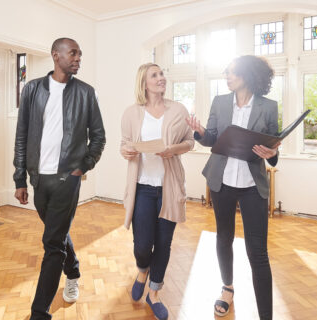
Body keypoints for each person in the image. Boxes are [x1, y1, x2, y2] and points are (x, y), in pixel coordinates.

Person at [13, 38, 106, 320]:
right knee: (58, 232)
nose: (78, 58)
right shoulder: (32, 90)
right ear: (56, 55)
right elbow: (22, 136)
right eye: (73, 53)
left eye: (80, 53)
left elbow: (98, 136)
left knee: (52, 243)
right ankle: (74, 269)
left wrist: (84, 165)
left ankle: (39, 312)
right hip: (39, 179)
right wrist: (20, 178)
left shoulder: (86, 93)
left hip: (68, 179)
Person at [185, 55, 280, 319]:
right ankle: (227, 289)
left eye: (232, 73)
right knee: (223, 238)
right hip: (221, 182)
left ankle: (266, 315)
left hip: (252, 186)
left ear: (248, 75)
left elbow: (273, 154)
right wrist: (201, 131)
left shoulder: (269, 107)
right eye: (226, 72)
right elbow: (212, 140)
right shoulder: (220, 101)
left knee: (257, 252)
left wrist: (269, 152)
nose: (227, 77)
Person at [120, 63, 194, 320]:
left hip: (169, 189)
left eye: (162, 74)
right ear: (144, 83)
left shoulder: (179, 109)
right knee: (142, 245)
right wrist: (126, 151)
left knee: (163, 243)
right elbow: (125, 145)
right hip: (142, 187)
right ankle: (142, 270)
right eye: (155, 75)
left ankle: (154, 293)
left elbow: (190, 141)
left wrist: (172, 150)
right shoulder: (131, 113)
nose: (161, 78)